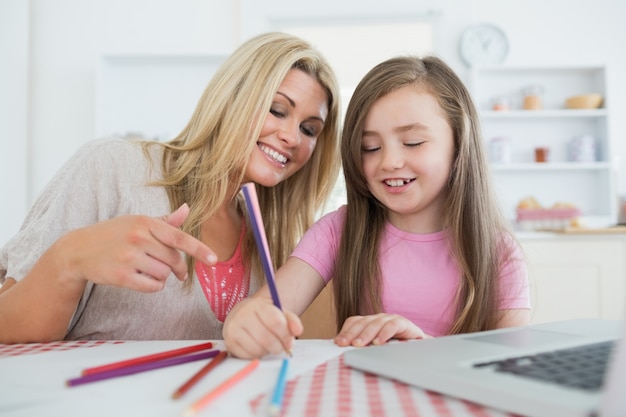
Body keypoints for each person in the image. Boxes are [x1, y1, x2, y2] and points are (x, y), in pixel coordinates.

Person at [0, 32, 341, 344]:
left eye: (310, 130)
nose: (292, 138)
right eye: (277, 110)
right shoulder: (112, 168)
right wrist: (69, 258)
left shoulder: (271, 240)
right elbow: (7, 329)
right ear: (232, 99)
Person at [223, 55, 531, 359]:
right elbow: (268, 308)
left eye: (412, 142)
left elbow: (513, 371)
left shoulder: (499, 252)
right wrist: (246, 321)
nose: (389, 162)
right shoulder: (337, 231)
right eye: (370, 148)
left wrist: (423, 347)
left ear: (459, 144)